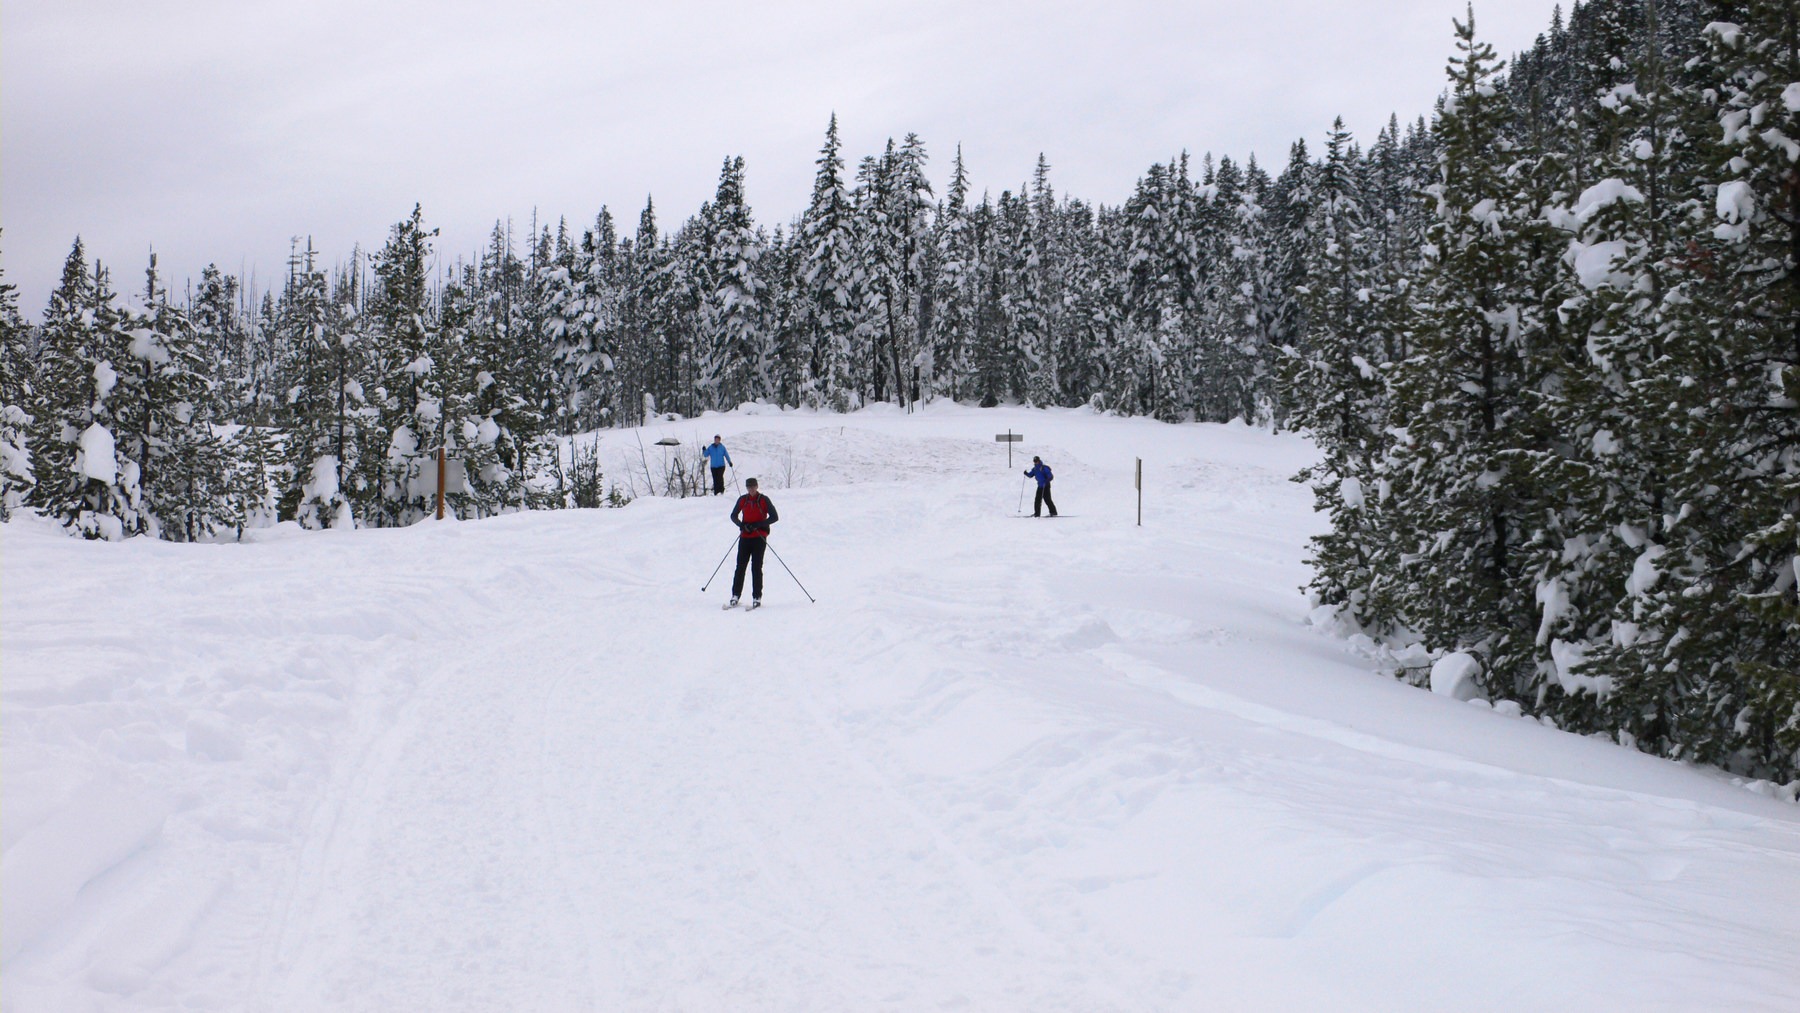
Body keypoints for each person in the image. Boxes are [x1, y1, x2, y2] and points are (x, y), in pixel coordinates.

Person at [728, 477, 778, 606]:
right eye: (748, 487)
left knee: (756, 567)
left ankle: (757, 596)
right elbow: (733, 515)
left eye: (753, 486)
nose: (751, 489)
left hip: (759, 537)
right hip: (745, 537)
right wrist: (742, 525)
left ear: (757, 486)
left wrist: (758, 524)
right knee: (740, 567)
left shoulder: (763, 500)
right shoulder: (743, 500)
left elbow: (774, 517)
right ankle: (735, 595)